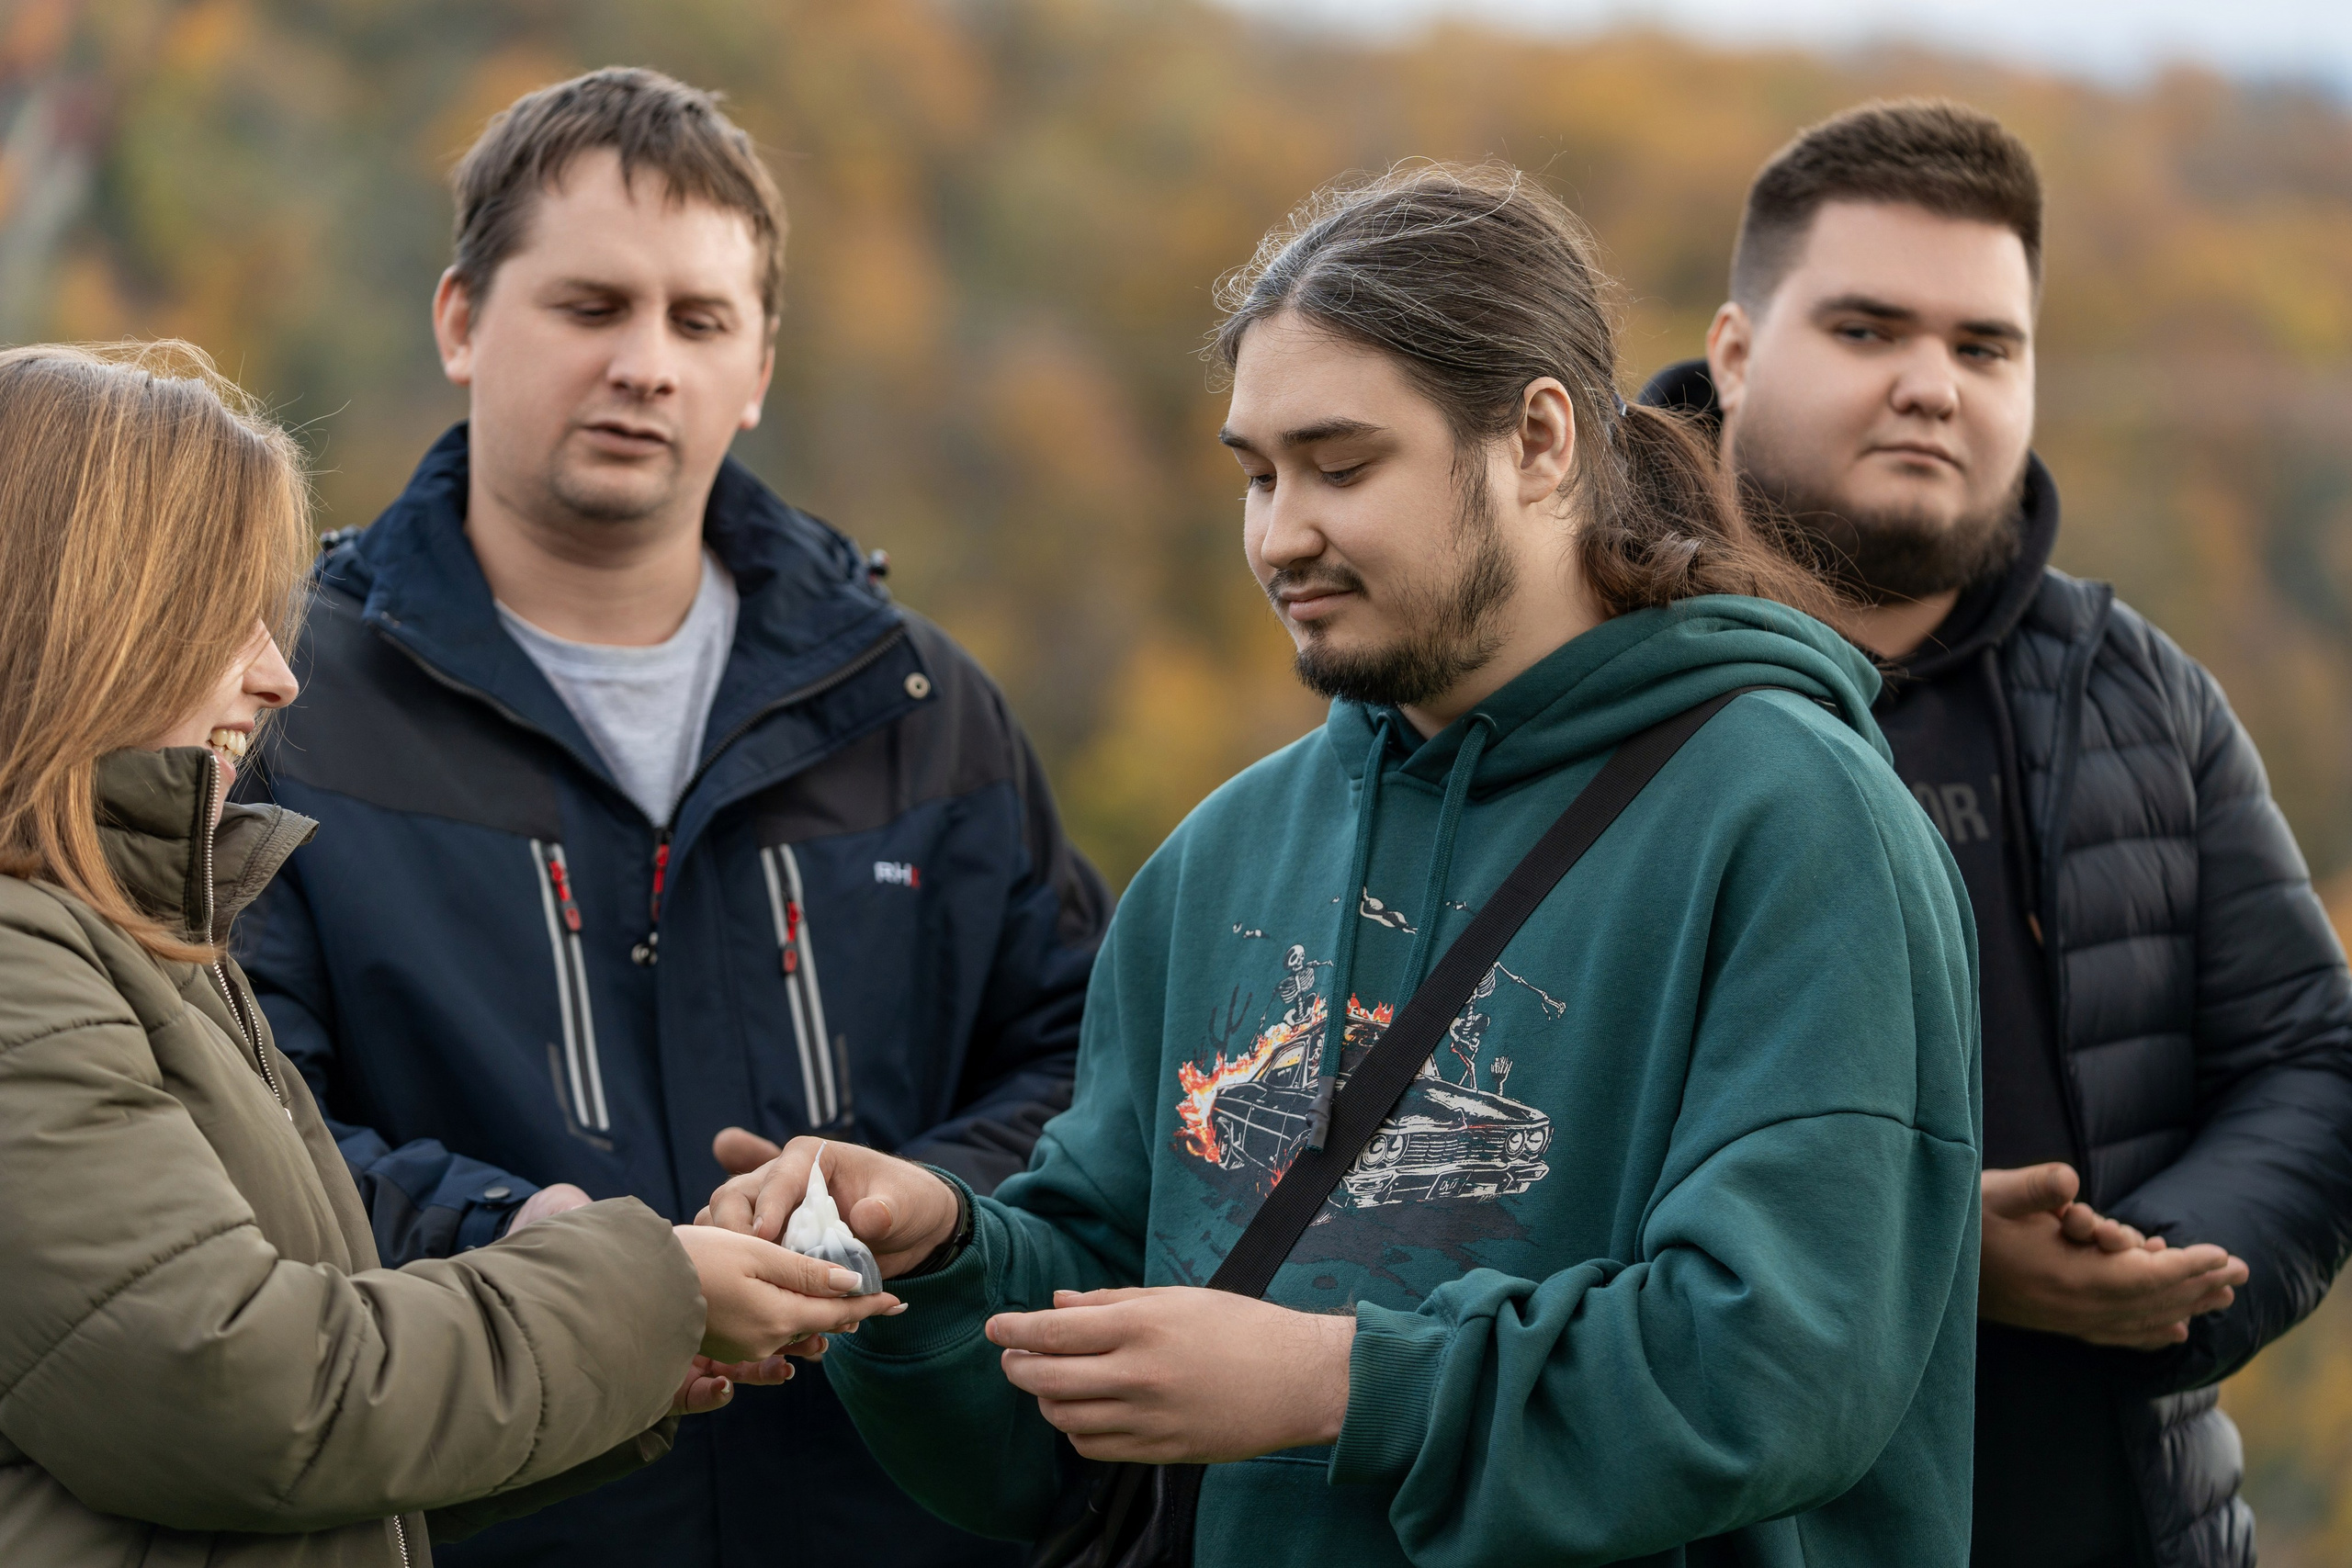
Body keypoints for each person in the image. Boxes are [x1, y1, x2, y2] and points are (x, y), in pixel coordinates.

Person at [703, 162, 1984, 1566]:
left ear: (1540, 443)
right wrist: (940, 1252)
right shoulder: (1219, 859)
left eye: (1342, 465)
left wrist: (1330, 1387)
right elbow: (1080, 1374)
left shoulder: (1798, 822)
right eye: (1258, 475)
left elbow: (1776, 1368)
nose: (1279, 534)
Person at [229, 69, 1107, 1567]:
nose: (647, 363)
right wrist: (547, 1241)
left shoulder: (915, 705)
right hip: (486, 1514)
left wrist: (915, 1203)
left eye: (699, 321)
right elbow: (240, 1118)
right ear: (459, 322)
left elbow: (1089, 1057)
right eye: (590, 307)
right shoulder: (279, 704)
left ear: (758, 365)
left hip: (896, 1521)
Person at [0, 341, 897, 1568]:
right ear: (81, 616)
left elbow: (297, 1471)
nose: (274, 677)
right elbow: (250, 1399)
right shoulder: (21, 973)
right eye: (219, 616)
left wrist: (610, 1350)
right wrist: (645, 1293)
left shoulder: (138, 945)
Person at [1642, 99, 2352, 1567]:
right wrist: (1917, 1246)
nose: (1932, 386)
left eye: (1984, 347)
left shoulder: (2139, 696)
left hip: (2117, 1521)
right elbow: (1474, 1136)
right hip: (1703, 1521)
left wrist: (2149, 1276)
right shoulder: (1584, 683)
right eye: (1865, 330)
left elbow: (2308, 1058)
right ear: (1735, 351)